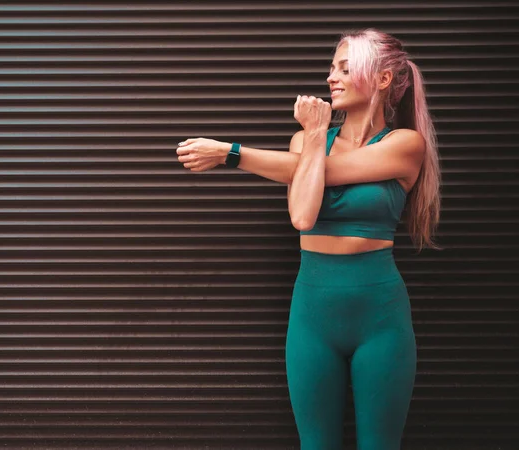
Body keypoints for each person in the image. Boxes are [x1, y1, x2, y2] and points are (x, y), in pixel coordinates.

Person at [176, 28, 442, 450]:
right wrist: (315, 137)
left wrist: (231, 152)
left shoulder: (405, 145)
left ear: (382, 79)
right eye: (331, 68)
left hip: (380, 318)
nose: (330, 78)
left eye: (344, 67)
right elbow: (302, 216)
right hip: (312, 317)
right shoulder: (304, 141)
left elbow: (330, 172)